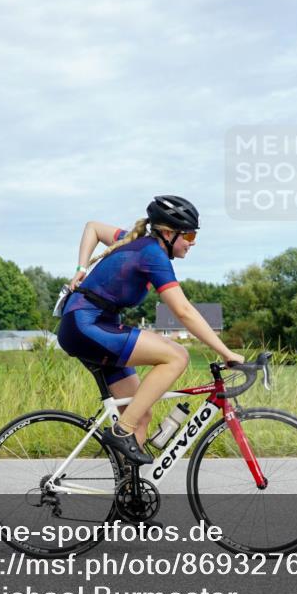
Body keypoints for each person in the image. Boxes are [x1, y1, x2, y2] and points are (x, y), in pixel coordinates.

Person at [57, 195, 245, 465]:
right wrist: (227, 353)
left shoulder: (135, 241)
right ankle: (121, 432)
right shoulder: (153, 255)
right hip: (86, 325)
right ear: (168, 233)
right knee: (177, 356)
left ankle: (128, 497)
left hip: (95, 326)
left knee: (141, 415)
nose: (193, 243)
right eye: (189, 235)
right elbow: (184, 312)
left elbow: (94, 228)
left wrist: (81, 268)